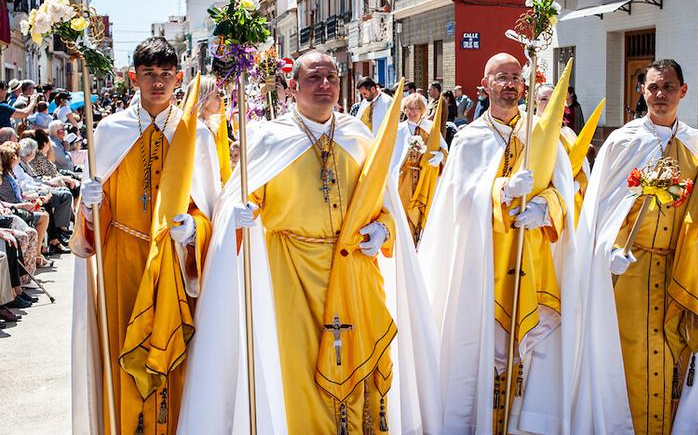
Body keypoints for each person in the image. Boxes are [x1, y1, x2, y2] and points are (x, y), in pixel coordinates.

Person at [178, 49, 440, 434]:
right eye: (314, 78)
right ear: (293, 87)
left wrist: (382, 230)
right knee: (298, 372)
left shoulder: (357, 136)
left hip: (353, 272)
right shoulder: (269, 139)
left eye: (331, 78)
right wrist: (237, 215)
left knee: (360, 362)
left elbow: (385, 207)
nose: (325, 86)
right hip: (291, 275)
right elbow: (238, 200)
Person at [568, 59, 698, 434]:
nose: (659, 95)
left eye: (667, 87)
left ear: (682, 91)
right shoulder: (622, 142)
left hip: (681, 272)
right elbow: (601, 210)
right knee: (628, 358)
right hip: (629, 274)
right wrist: (606, 250)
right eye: (652, 88)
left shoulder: (697, 144)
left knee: (675, 358)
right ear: (642, 92)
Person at [69, 36, 222, 435]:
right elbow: (91, 231)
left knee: (174, 353)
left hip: (173, 262)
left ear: (179, 77)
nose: (158, 83)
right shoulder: (109, 130)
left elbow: (210, 211)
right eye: (149, 74)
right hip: (122, 260)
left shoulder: (197, 136)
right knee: (124, 349)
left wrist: (194, 231)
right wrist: (88, 206)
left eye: (166, 75)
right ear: (133, 77)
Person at [419, 52, 576, 433]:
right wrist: (501, 190)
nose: (509, 84)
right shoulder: (470, 138)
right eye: (500, 77)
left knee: (532, 362)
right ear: (485, 85)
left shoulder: (541, 135)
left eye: (515, 77)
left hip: (532, 261)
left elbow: (566, 193)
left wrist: (545, 207)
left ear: (524, 85)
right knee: (479, 349)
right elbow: (456, 200)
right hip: (482, 262)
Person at [391, 93, 447, 245]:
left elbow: (443, 147)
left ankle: (419, 243)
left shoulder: (429, 128)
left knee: (421, 210)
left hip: (423, 177)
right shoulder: (399, 129)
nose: (412, 111)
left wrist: (439, 156)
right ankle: (405, 243)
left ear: (422, 110)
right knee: (404, 210)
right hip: (404, 178)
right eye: (409, 108)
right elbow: (393, 155)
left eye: (416, 108)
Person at [535, 83, 590, 225]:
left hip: (570, 203)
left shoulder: (568, 133)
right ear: (535, 101)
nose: (549, 103)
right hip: (541, 207)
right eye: (543, 99)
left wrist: (577, 185)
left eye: (554, 98)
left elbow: (582, 166)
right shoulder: (530, 131)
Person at [184, 74, 231, 184]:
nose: (221, 100)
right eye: (216, 96)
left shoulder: (210, 128)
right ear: (204, 99)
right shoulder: (198, 132)